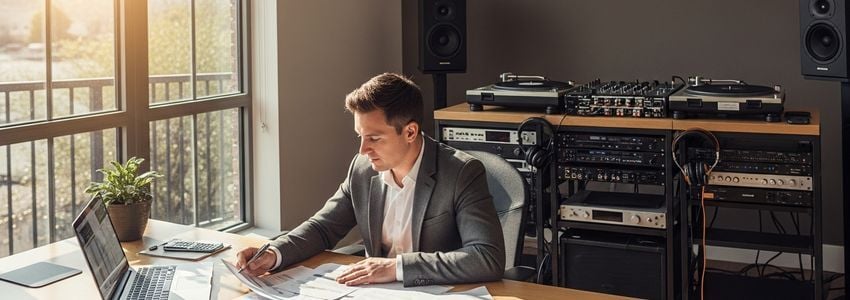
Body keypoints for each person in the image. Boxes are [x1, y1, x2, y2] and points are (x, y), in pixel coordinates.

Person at [236, 72, 505, 287]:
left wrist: (397, 267)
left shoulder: (461, 172)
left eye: (374, 138)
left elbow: (485, 257)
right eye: (360, 136)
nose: (363, 150)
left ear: (410, 132)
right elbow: (323, 228)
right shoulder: (363, 169)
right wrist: (273, 253)